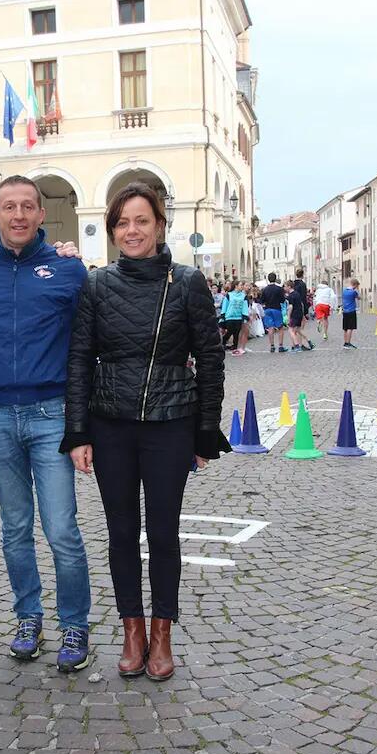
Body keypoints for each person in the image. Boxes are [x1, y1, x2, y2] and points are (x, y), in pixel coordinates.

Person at [63, 182, 230, 681]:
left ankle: (162, 632)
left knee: (162, 533)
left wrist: (205, 432)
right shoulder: (96, 284)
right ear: (112, 230)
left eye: (141, 221)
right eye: (122, 223)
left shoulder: (187, 283)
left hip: (169, 424)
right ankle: (131, 628)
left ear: (160, 225)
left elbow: (211, 357)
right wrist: (78, 433)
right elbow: (79, 360)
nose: (131, 230)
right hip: (110, 425)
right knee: (120, 534)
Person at [0, 175, 93, 672]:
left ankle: (74, 623)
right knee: (15, 528)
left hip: (51, 414)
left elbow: (86, 348)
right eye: (8, 207)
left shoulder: (68, 270)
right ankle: (28, 617)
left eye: (27, 206)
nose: (18, 215)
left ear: (41, 215)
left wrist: (84, 423)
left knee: (61, 529)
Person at [260, 272, 287, 353]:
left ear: (268, 279)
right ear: (275, 279)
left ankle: (272, 346)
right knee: (280, 327)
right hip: (276, 309)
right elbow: (283, 300)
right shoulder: (279, 289)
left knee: (270, 328)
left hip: (268, 309)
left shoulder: (265, 289)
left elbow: (262, 300)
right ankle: (281, 346)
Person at [220, 281, 248, 356]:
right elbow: (225, 305)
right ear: (236, 286)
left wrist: (245, 316)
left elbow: (244, 306)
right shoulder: (229, 295)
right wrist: (222, 315)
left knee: (237, 333)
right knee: (230, 331)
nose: (242, 286)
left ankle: (235, 348)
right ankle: (223, 341)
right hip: (229, 316)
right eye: (241, 285)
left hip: (238, 317)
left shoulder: (243, 296)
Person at [285, 280, 311, 352]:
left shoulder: (291, 296)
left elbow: (290, 307)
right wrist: (302, 315)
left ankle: (296, 346)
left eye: (285, 286)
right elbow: (301, 304)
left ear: (289, 287)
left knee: (291, 330)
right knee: (299, 330)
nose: (284, 288)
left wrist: (288, 317)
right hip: (299, 314)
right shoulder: (297, 294)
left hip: (294, 315)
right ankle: (309, 341)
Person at [291, 267, 313, 350]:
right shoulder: (302, 284)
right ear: (303, 275)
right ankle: (300, 344)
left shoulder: (293, 284)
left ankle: (295, 344)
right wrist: (306, 310)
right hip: (300, 307)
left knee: (294, 328)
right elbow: (304, 298)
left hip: (293, 307)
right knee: (300, 328)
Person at [342, 277, 360, 349]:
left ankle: (345, 342)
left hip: (345, 311)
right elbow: (358, 297)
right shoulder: (353, 292)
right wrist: (356, 291)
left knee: (345, 328)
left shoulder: (344, 291)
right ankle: (348, 343)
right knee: (350, 327)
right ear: (355, 285)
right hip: (351, 311)